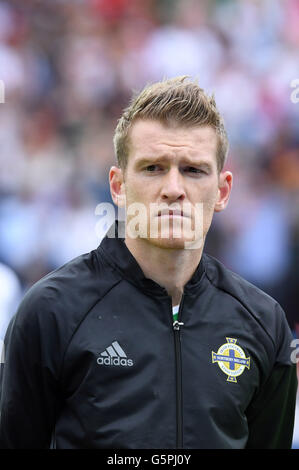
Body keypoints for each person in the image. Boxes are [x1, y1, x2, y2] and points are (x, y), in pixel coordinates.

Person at [0, 77, 297, 449]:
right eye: (153, 168)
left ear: (222, 191)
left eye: (193, 170)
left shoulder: (264, 322)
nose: (173, 188)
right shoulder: (49, 312)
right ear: (118, 186)